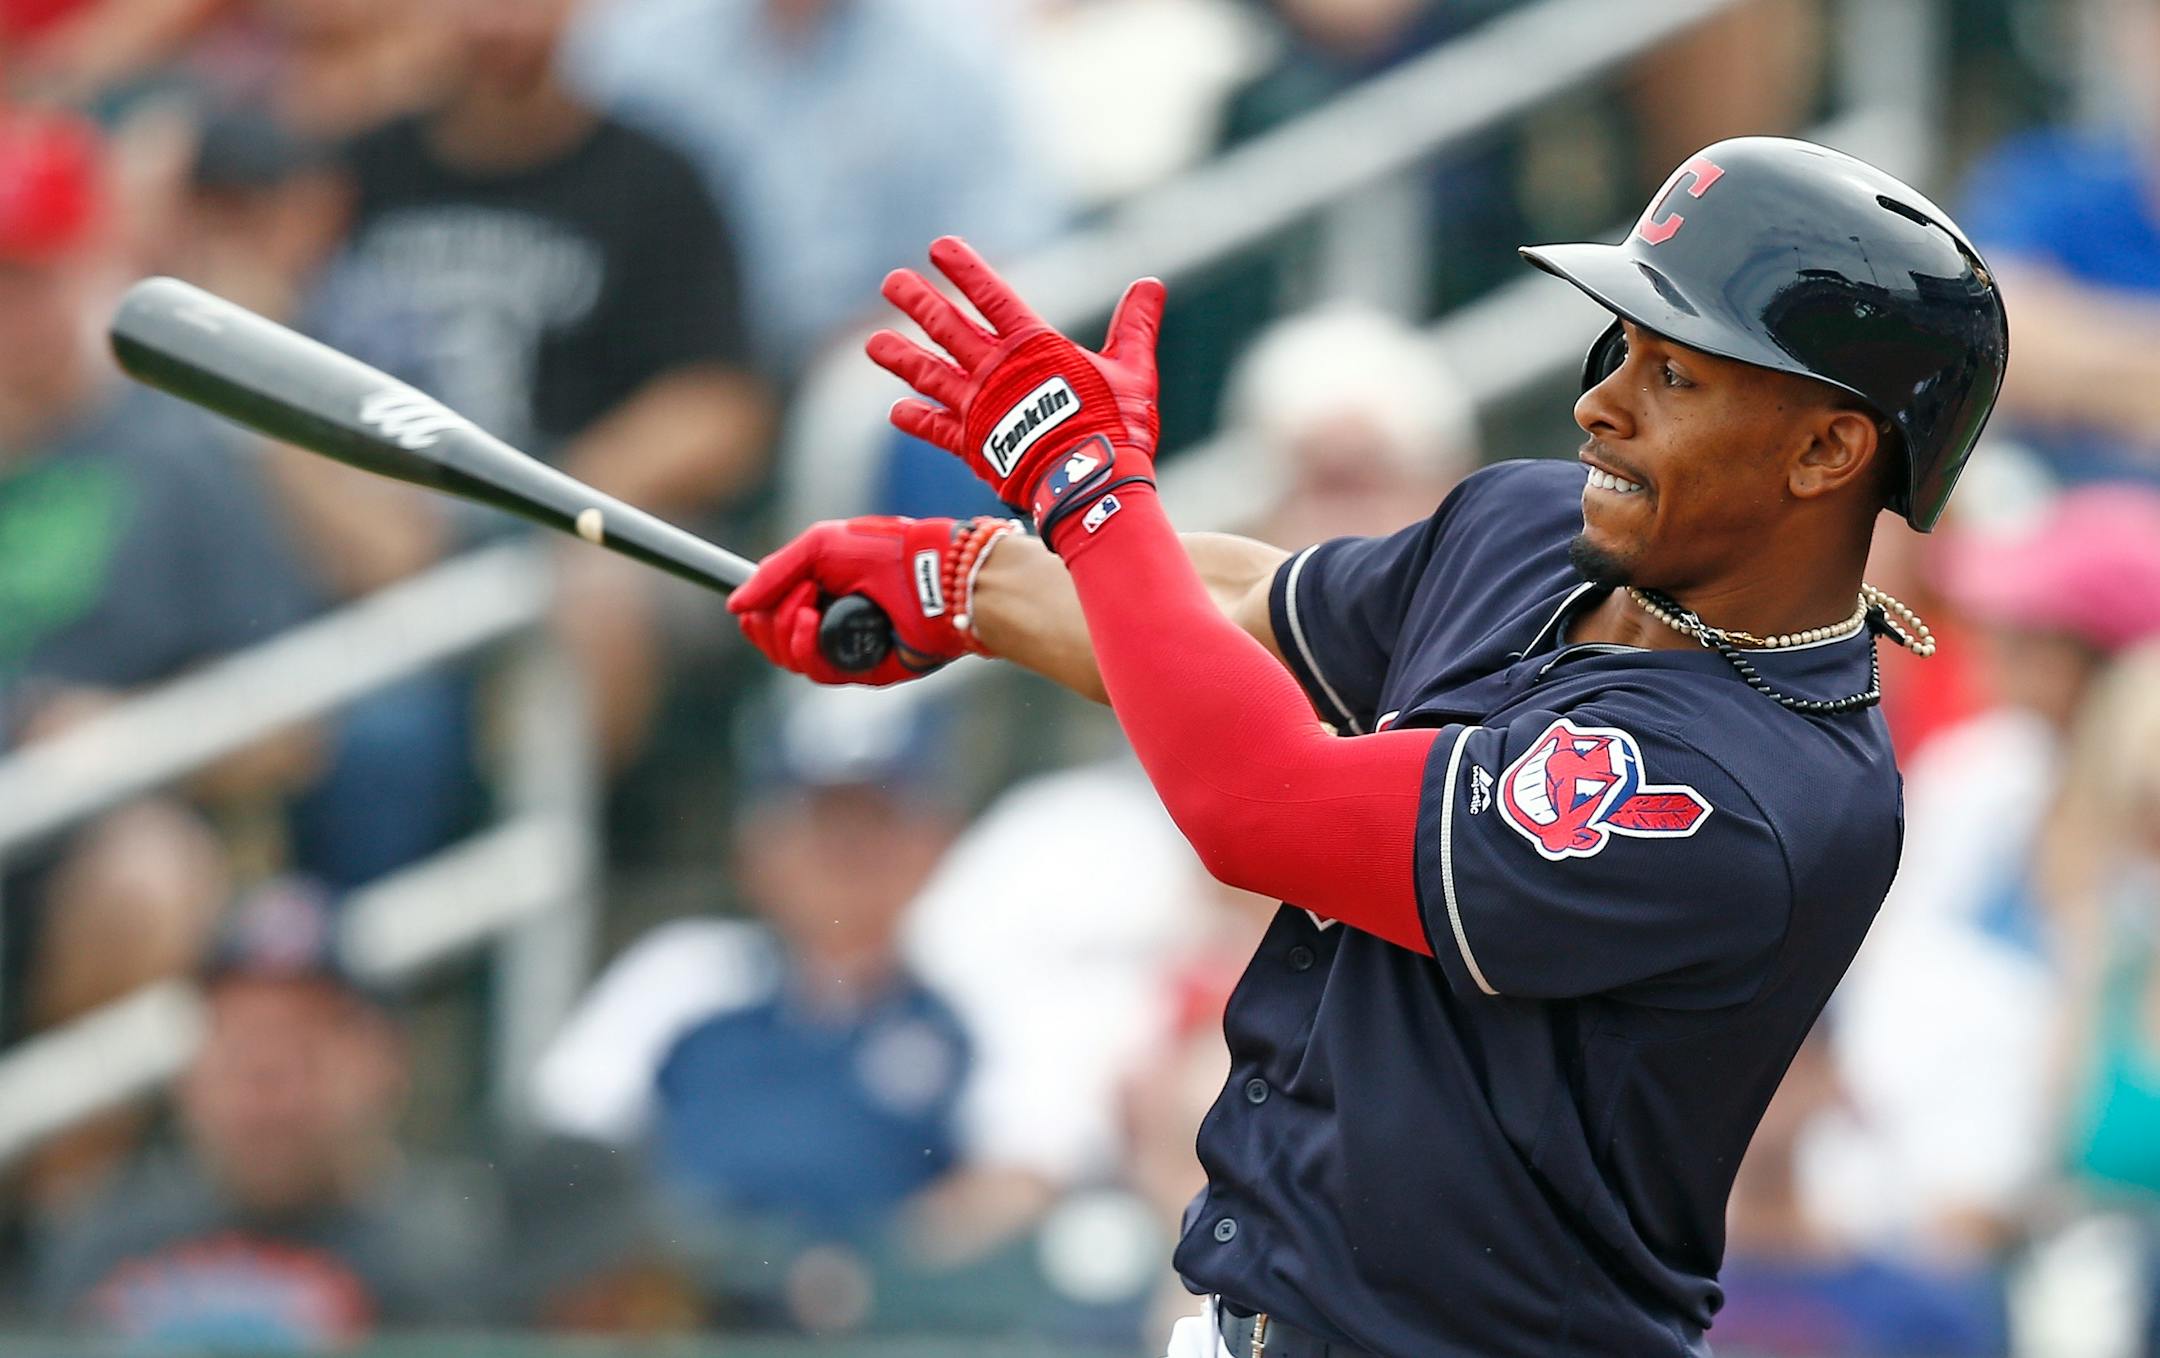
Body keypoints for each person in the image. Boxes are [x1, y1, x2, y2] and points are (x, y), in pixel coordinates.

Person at [728, 135, 2009, 1355]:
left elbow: (1258, 800)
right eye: (1620, 343)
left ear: (1830, 448)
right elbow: (1245, 614)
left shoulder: (1750, 794)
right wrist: (978, 580)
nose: (1603, 403)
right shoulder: (1536, 529)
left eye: (1675, 372)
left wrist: (1086, 495)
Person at [307, 0, 769, 765]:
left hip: (580, 520)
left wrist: (546, 502)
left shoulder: (655, 175)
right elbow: (280, 351)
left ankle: (566, 858)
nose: (499, 25)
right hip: (379, 516)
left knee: (595, 598)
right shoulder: (356, 173)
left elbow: (723, 409)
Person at [530, 683, 972, 1331]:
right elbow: (566, 1157)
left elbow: (1021, 1184)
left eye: (877, 822)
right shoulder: (680, 975)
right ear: (758, 844)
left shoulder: (977, 999)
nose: (848, 853)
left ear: (934, 842)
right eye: (822, 823)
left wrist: (864, 1271)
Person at [32, 880, 503, 1343]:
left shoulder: (460, 1252)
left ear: (386, 1060)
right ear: (187, 1070)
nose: (269, 1085)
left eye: (304, 1048)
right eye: (241, 1046)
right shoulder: (101, 1241)